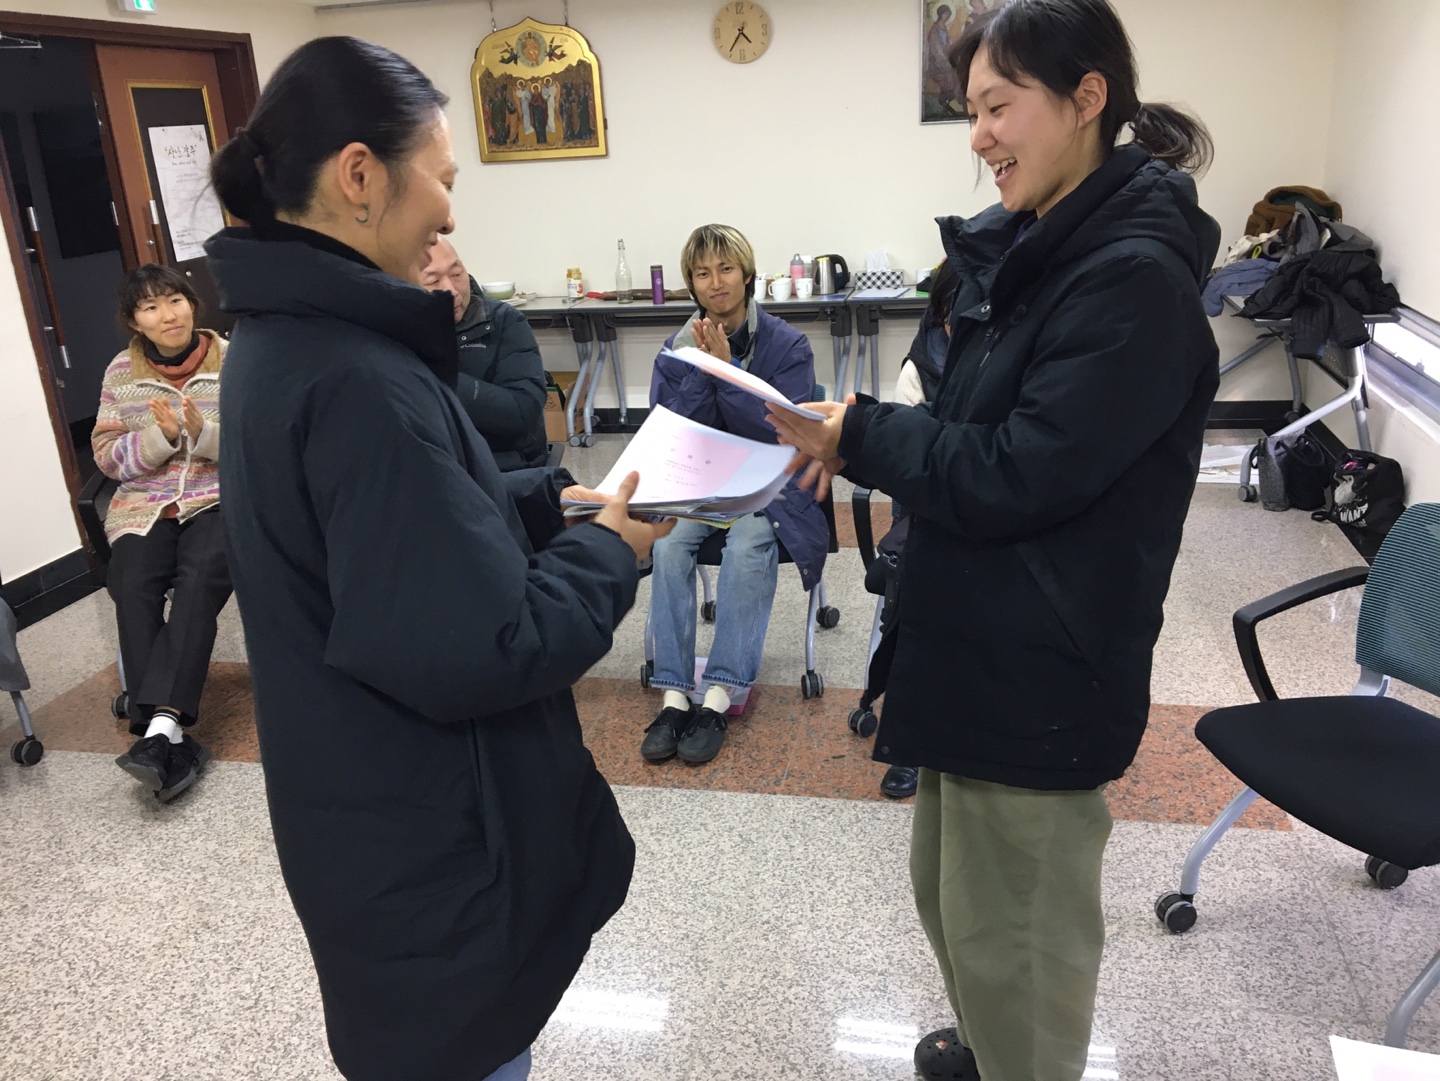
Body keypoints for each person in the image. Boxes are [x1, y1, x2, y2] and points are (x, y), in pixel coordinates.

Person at [766, 2, 1220, 1078]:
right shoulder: (1038, 247)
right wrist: (863, 433)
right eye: (971, 110)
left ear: (1087, 97)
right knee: (958, 903)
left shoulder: (1129, 280)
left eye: (997, 107)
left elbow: (1021, 469)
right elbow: (969, 419)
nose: (978, 137)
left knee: (1018, 945)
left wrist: (863, 435)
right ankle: (986, 1048)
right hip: (978, 638)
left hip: (1041, 667)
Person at [206, 36, 672, 1081]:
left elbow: (397, 537)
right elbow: (492, 642)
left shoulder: (283, 339)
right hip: (434, 847)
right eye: (443, 178)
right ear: (360, 175)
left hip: (365, 812)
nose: (451, 215)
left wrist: (549, 502)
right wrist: (612, 550)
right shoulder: (356, 377)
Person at [643, 224, 827, 765]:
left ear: (747, 274)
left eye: (726, 269)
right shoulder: (675, 349)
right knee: (668, 544)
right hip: (704, 484)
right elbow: (672, 431)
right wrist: (706, 372)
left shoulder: (788, 345)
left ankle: (719, 697)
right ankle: (675, 697)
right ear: (691, 284)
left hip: (772, 486)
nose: (716, 282)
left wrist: (728, 374)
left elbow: (785, 433)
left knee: (748, 545)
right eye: (702, 273)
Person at [94, 264, 231, 803]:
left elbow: (261, 443)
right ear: (135, 322)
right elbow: (106, 456)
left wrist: (205, 435)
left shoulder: (235, 359)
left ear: (192, 304)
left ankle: (157, 728)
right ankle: (167, 734)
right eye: (150, 307)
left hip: (216, 499)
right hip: (144, 506)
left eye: (174, 300)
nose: (167, 315)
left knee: (198, 579)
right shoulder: (119, 373)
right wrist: (160, 438)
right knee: (130, 583)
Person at [421, 236, 549, 471]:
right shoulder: (392, 332)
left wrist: (439, 377)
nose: (451, 290)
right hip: (433, 467)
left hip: (503, 466)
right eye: (433, 280)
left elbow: (522, 413)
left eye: (456, 274)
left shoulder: (504, 320)